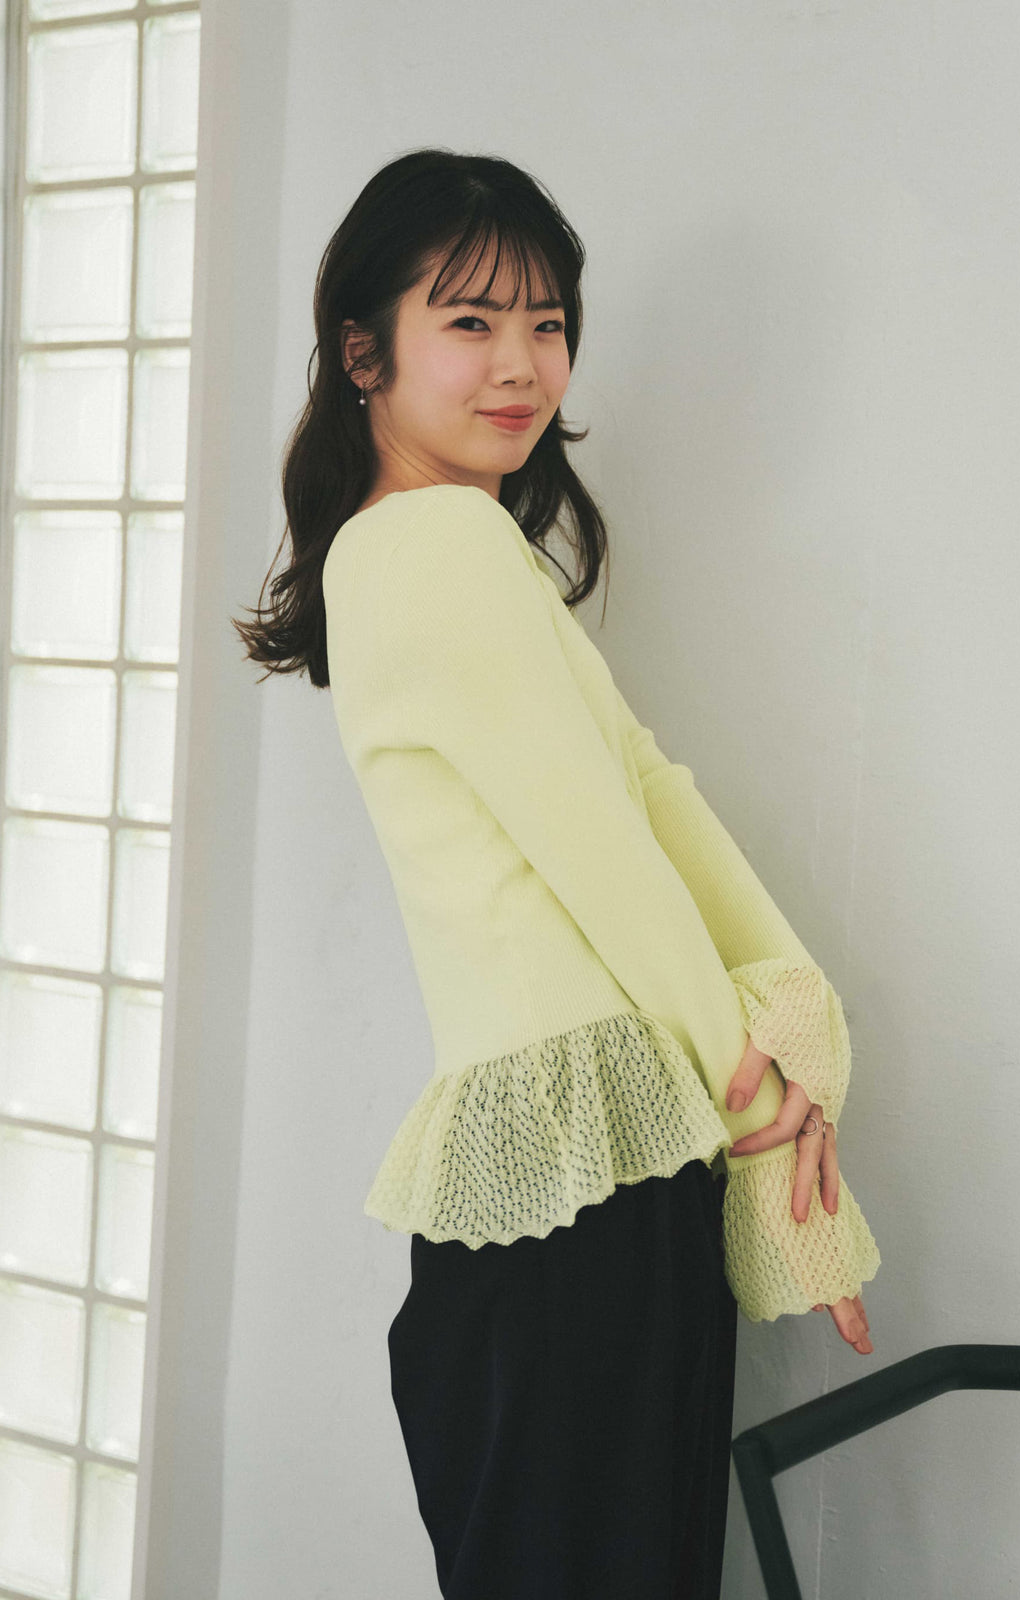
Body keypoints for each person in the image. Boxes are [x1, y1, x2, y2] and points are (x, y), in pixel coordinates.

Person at [234, 146, 880, 1600]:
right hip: (578, 1227)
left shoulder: (457, 549)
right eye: (470, 321)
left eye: (548, 322)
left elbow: (648, 793)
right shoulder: (427, 546)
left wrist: (789, 1016)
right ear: (363, 352)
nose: (522, 363)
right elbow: (607, 853)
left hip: (596, 1199)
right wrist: (768, 1119)